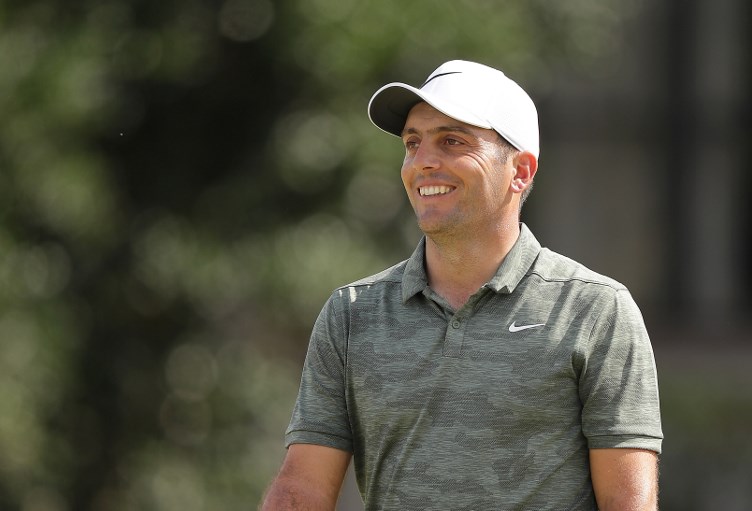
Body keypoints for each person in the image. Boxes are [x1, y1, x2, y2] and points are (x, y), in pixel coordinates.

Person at [261, 60, 663, 510]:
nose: (423, 161)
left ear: (521, 171)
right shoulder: (352, 313)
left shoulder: (596, 310)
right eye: (413, 143)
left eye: (452, 141)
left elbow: (628, 502)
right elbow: (301, 492)